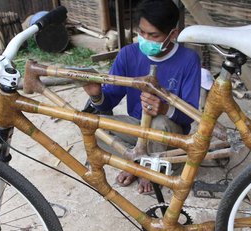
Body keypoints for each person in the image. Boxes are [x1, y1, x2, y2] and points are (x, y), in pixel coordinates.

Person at [83, 0, 201, 194]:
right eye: (142, 32)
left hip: (169, 131)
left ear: (172, 34)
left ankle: (149, 170)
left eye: (153, 35)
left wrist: (163, 108)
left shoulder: (188, 60)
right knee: (91, 124)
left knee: (158, 123)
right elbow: (109, 102)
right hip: (138, 127)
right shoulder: (128, 54)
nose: (145, 39)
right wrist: (97, 96)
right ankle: (136, 162)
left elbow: (190, 115)